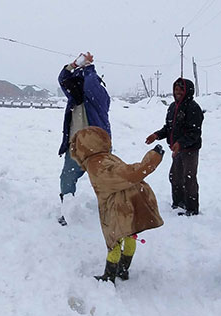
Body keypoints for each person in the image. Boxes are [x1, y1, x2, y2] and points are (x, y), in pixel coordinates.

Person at [70, 126, 165, 282]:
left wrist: (152, 159)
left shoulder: (98, 162)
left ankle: (110, 274)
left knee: (115, 240)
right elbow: (127, 174)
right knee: (128, 236)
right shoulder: (103, 160)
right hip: (125, 203)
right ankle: (122, 269)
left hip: (117, 208)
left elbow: (129, 174)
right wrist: (151, 159)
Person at [57, 52, 111, 225]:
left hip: (97, 149)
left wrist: (88, 68)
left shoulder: (99, 99)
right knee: (67, 178)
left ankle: (110, 209)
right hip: (76, 148)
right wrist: (74, 65)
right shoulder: (74, 100)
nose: (72, 88)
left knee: (104, 181)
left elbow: (90, 86)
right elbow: (63, 79)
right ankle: (67, 210)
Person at [145, 78, 203, 216]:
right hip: (176, 149)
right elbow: (168, 128)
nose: (178, 92)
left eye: (181, 90)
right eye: (176, 89)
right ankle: (178, 203)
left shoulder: (193, 108)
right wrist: (156, 135)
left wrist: (181, 143)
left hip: (189, 150)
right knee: (175, 177)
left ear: (187, 91)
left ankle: (191, 209)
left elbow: (194, 132)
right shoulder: (172, 107)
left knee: (189, 178)